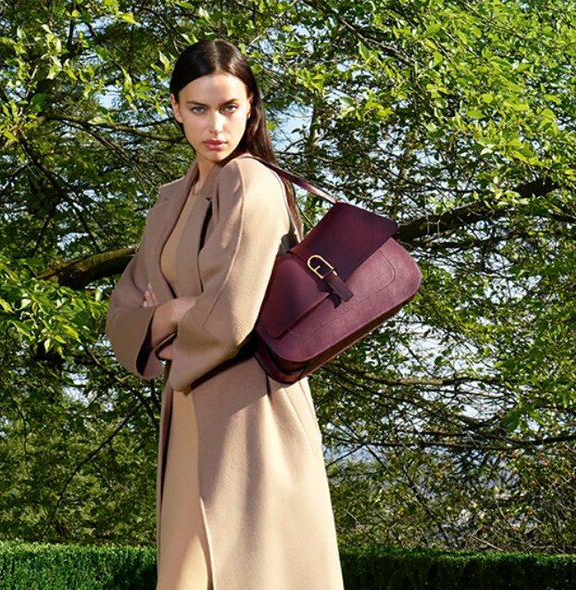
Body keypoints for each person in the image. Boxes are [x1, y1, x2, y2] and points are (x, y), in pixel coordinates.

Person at [105, 39, 344, 590]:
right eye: (199, 108)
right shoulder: (172, 199)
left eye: (230, 107)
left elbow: (230, 317)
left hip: (249, 410)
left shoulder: (252, 181)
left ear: (252, 107)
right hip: (188, 403)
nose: (216, 125)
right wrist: (171, 313)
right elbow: (123, 313)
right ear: (174, 109)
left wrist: (165, 318)